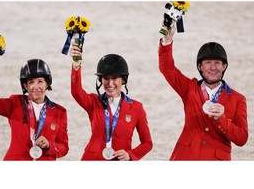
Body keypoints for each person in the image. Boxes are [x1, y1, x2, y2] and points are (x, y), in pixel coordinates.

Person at [158, 23, 248, 160]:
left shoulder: (238, 99)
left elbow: (241, 139)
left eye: (217, 63)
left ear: (224, 67)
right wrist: (167, 41)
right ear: (200, 66)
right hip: (185, 157)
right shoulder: (189, 88)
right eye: (208, 63)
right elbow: (167, 69)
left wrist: (222, 118)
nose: (213, 67)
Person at [70, 42, 153, 161]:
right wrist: (76, 66)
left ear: (123, 80)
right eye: (105, 79)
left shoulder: (137, 108)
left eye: (114, 78)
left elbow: (147, 143)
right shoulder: (93, 101)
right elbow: (76, 92)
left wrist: (130, 155)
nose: (109, 84)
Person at [0, 58, 69, 160]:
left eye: (40, 81)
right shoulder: (15, 103)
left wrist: (49, 145)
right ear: (25, 86)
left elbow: (64, 148)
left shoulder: (60, 112)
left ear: (47, 84)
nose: (36, 86)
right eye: (31, 82)